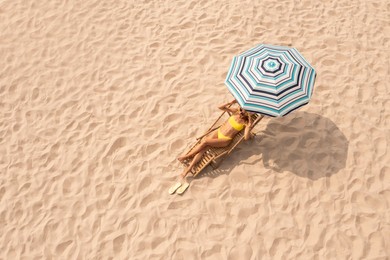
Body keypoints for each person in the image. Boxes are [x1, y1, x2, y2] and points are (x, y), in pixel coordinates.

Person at [169, 99, 254, 194]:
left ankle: (188, 156)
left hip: (225, 139)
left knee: (205, 141)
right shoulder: (236, 112)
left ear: (248, 114)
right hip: (218, 132)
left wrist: (249, 126)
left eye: (244, 112)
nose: (241, 112)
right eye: (242, 109)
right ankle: (187, 170)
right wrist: (231, 102)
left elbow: (246, 137)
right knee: (204, 147)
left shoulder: (246, 123)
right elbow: (220, 107)